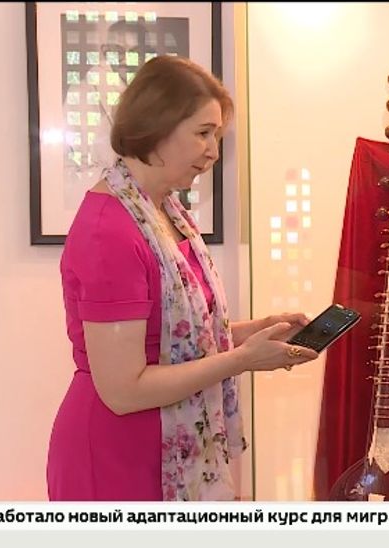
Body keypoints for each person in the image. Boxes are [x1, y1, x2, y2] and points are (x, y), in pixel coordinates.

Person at [47, 55, 319, 502]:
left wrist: (258, 331)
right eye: (203, 133)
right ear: (157, 125)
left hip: (165, 446)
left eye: (217, 136)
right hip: (119, 455)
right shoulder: (108, 230)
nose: (213, 151)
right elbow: (122, 390)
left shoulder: (165, 211)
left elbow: (175, 338)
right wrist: (242, 359)